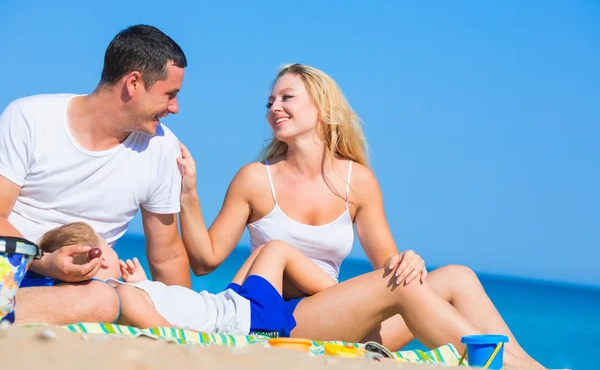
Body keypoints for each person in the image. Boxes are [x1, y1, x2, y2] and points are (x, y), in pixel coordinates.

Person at [177, 64, 544, 369]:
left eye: (287, 97)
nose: (275, 107)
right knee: (402, 285)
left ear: (322, 107)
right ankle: (503, 365)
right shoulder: (256, 178)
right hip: (289, 318)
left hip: (347, 318)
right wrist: (190, 194)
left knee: (457, 277)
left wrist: (408, 260)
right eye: (270, 101)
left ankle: (531, 365)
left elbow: (389, 265)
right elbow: (205, 261)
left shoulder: (358, 181)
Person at [0, 24, 191, 325]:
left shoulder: (161, 148)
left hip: (76, 292)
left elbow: (166, 256)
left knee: (105, 300)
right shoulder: (29, 118)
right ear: (133, 83)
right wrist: (45, 262)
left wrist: (187, 319)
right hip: (11, 268)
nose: (175, 108)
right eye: (169, 95)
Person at [38, 222, 336, 336]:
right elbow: (170, 333)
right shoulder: (121, 295)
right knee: (275, 250)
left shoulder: (118, 291)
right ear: (101, 257)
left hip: (225, 305)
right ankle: (339, 293)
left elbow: (161, 304)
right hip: (244, 319)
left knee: (260, 256)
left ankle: (326, 298)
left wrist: (141, 282)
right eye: (109, 247)